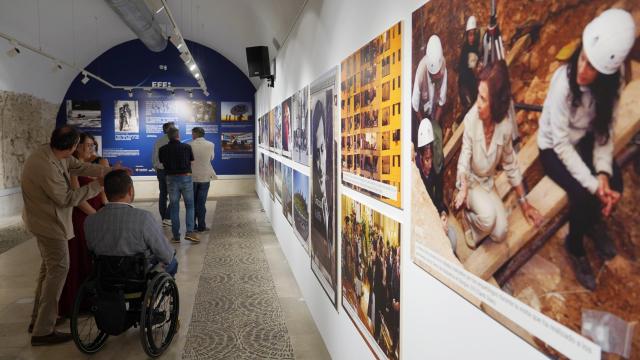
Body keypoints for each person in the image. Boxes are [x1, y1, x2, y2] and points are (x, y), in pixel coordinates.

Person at [537, 9, 635, 290]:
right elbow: (561, 144)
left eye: (592, 67)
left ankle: (593, 223)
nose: (582, 69)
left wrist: (603, 174)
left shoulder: (610, 88)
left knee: (615, 181)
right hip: (554, 148)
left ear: (606, 74)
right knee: (582, 195)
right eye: (583, 58)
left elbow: (604, 134)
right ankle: (576, 245)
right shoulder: (563, 85)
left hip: (582, 139)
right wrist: (593, 185)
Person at [21, 125, 114, 345]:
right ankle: (43, 331)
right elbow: (67, 199)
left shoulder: (54, 153)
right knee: (58, 271)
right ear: (73, 146)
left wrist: (106, 172)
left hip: (47, 222)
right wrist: (98, 185)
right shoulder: (45, 166)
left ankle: (39, 320)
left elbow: (78, 166)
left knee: (48, 272)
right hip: (49, 225)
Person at [454, 60, 542, 249]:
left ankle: (481, 219)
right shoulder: (471, 119)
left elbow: (510, 165)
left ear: (496, 103)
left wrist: (524, 202)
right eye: (479, 95)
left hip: (486, 183)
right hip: (468, 181)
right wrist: (463, 188)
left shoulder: (505, 127)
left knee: (500, 232)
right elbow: (464, 157)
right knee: (487, 218)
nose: (478, 104)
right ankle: (469, 218)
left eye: (484, 99)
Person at [85, 170, 178, 277]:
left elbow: (91, 250)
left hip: (105, 278)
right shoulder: (144, 218)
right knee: (172, 262)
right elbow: (165, 255)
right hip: (136, 278)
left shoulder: (90, 220)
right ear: (130, 191)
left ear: (105, 192)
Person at [58, 133, 106, 318]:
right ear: (77, 147)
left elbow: (101, 190)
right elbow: (76, 197)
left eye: (93, 145)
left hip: (95, 211)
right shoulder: (73, 166)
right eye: (87, 145)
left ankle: (91, 299)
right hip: (81, 215)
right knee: (79, 257)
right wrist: (94, 215)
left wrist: (105, 207)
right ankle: (77, 302)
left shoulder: (95, 163)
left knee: (92, 256)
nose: (91, 148)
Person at [412, 34, 446, 195]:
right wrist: (423, 126)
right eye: (434, 76)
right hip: (419, 114)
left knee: (437, 140)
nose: (437, 78)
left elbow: (440, 103)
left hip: (433, 114)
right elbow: (415, 106)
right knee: (420, 145)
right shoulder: (421, 72)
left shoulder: (442, 67)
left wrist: (433, 126)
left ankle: (437, 180)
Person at [159, 127, 199, 243]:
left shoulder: (163, 149)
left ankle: (176, 236)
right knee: (190, 206)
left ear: (168, 136)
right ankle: (190, 232)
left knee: (174, 207)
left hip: (171, 179)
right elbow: (192, 161)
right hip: (186, 177)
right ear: (178, 136)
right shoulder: (186, 147)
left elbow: (162, 162)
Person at [189, 127, 215, 232]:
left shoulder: (189, 145)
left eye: (192, 133)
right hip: (205, 177)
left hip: (192, 177)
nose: (192, 135)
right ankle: (201, 226)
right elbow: (212, 158)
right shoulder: (211, 144)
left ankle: (193, 225)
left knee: (192, 203)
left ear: (195, 134)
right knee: (201, 203)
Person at [415, 118, 444, 212]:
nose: (430, 164)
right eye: (427, 159)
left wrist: (442, 212)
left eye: (432, 157)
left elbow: (439, 195)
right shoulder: (415, 170)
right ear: (421, 156)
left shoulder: (436, 166)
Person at [152, 122, 175, 227]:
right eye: (173, 127)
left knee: (163, 195)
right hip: (172, 172)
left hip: (161, 171)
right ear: (167, 129)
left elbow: (154, 158)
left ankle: (164, 218)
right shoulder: (174, 140)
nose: (175, 128)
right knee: (175, 195)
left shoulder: (158, 141)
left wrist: (157, 169)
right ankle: (168, 217)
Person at [458, 15, 481, 116]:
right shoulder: (466, 49)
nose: (471, 38)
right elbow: (472, 69)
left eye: (473, 35)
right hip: (464, 84)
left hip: (471, 83)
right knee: (469, 107)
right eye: (469, 35)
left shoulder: (475, 47)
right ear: (467, 36)